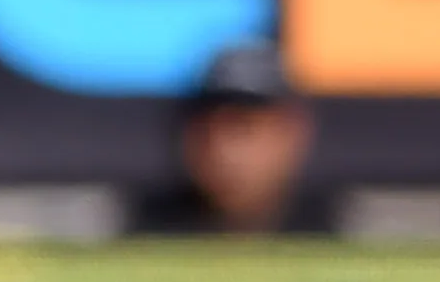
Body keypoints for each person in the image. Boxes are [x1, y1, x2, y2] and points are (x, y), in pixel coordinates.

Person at [127, 37, 321, 236]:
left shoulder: (339, 233)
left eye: (244, 127)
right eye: (205, 127)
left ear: (292, 132)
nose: (222, 149)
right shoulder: (132, 230)